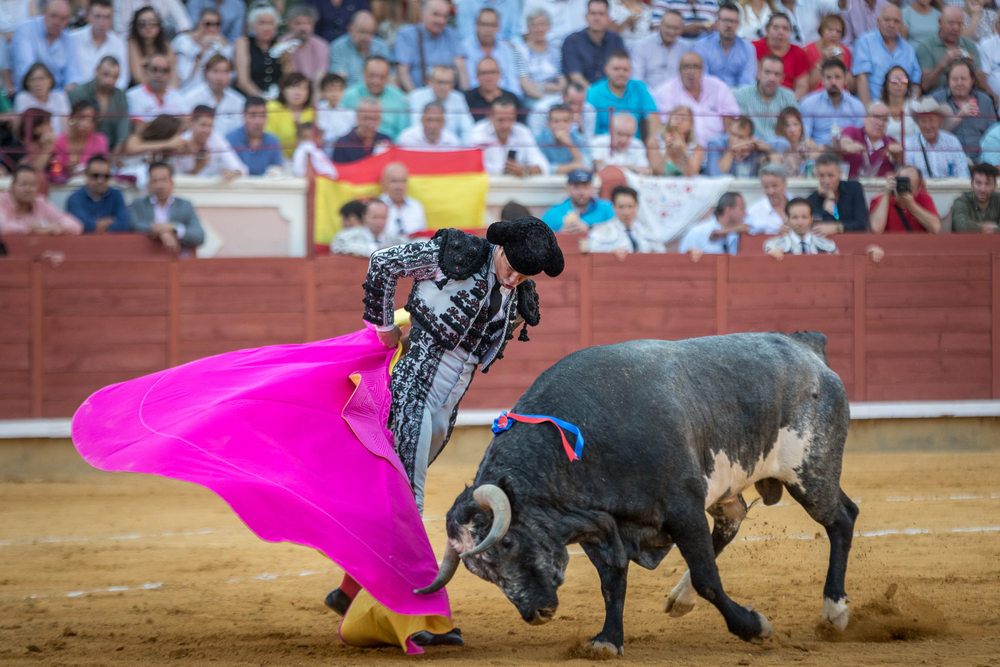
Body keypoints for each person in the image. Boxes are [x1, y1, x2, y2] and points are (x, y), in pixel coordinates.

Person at [654, 52, 740, 147]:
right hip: (683, 150)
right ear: (679, 70)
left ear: (702, 69)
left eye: (696, 67)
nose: (691, 72)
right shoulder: (665, 91)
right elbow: (665, 127)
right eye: (686, 67)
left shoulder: (719, 87)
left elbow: (730, 122)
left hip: (717, 150)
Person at [852, 5, 921, 107]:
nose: (891, 24)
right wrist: (869, 110)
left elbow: (915, 82)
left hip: (901, 111)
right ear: (878, 21)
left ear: (902, 25)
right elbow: (861, 79)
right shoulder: (865, 42)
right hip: (874, 106)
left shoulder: (908, 49)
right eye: (887, 20)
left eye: (896, 21)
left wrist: (911, 107)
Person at [129, 161, 205, 251]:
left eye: (164, 180)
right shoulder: (139, 204)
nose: (159, 186)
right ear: (148, 184)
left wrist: (174, 228)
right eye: (154, 181)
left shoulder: (184, 205)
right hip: (145, 256)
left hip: (176, 259)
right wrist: (161, 231)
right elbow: (133, 225)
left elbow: (199, 235)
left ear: (172, 183)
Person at [393, 0, 467, 92]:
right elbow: (402, 72)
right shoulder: (407, 34)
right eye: (436, 14)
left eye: (445, 16)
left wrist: (466, 96)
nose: (441, 20)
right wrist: (415, 98)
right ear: (423, 14)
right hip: (416, 94)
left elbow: (461, 68)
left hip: (447, 96)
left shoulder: (450, 33)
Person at [932, 60, 995, 164]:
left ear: (972, 81)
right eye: (955, 79)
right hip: (947, 159)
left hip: (980, 160)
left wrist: (985, 160)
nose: (959, 83)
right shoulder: (937, 99)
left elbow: (992, 135)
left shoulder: (985, 101)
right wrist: (959, 115)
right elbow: (932, 133)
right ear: (948, 81)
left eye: (964, 79)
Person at [10, 0, 79, 91]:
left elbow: (73, 73)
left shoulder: (68, 39)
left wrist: (71, 86)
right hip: (29, 93)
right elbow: (27, 72)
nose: (57, 22)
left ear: (68, 20)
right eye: (53, 16)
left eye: (62, 18)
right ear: (44, 12)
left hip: (60, 95)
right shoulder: (25, 30)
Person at [470, 97, 550, 175]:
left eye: (510, 119)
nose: (506, 125)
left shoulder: (523, 132)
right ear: (489, 116)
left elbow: (543, 166)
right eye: (500, 120)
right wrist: (509, 171)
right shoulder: (478, 132)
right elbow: (474, 167)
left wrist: (525, 170)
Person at [586, 50, 656, 137]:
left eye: (625, 69)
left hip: (634, 146)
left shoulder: (640, 87)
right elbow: (591, 130)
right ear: (606, 69)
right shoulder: (593, 92)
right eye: (616, 69)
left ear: (631, 70)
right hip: (604, 145)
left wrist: (653, 140)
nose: (621, 73)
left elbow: (652, 115)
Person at [68, 57, 131, 152]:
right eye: (106, 75)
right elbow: (69, 124)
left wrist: (119, 150)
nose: (109, 81)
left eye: (115, 77)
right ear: (96, 70)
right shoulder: (78, 93)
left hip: (111, 150)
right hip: (80, 150)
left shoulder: (120, 97)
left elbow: (122, 130)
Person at [916, 6, 982, 95]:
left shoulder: (970, 46)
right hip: (937, 101)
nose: (956, 28)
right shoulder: (926, 46)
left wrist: (972, 67)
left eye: (959, 24)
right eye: (951, 23)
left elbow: (982, 86)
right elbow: (925, 85)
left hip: (966, 98)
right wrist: (944, 63)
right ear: (940, 23)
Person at [799, 59, 865, 146]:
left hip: (847, 153)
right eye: (828, 77)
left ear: (845, 80)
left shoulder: (857, 106)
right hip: (818, 153)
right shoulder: (808, 104)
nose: (833, 82)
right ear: (822, 80)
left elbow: (860, 139)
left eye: (837, 77)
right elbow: (805, 138)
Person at [0, 164, 83, 235]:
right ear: (12, 186)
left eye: (32, 184)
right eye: (23, 184)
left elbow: (76, 226)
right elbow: (3, 228)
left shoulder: (40, 202)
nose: (28, 189)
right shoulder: (1, 200)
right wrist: (31, 228)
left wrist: (51, 227)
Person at [169, 105, 247, 179]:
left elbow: (241, 169)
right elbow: (177, 180)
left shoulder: (216, 139)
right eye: (203, 125)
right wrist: (197, 168)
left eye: (210, 126)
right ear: (192, 122)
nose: (207, 130)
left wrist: (233, 173)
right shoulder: (181, 142)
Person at [588, 184, 665, 258]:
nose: (626, 212)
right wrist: (609, 256)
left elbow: (661, 256)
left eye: (630, 206)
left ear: (637, 206)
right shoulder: (599, 233)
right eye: (621, 207)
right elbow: (594, 258)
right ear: (613, 207)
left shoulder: (649, 233)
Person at [342, 56, 408, 140]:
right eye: (371, 76)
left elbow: (402, 131)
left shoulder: (398, 97)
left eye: (381, 77)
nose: (376, 81)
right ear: (363, 73)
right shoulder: (348, 96)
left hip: (388, 146)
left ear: (388, 77)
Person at [562, 0, 626, 87]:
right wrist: (594, 94)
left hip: (611, 93)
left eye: (601, 14)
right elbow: (574, 75)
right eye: (593, 13)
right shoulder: (572, 41)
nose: (597, 18)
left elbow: (622, 70)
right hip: (583, 95)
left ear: (608, 17)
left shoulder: (616, 40)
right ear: (586, 16)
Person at [693, 3, 757, 88]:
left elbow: (747, 82)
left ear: (739, 24)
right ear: (717, 23)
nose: (729, 25)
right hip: (709, 96)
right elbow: (702, 79)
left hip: (738, 98)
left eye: (733, 21)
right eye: (725, 20)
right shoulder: (702, 45)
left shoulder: (748, 48)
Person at [734, 54, 797, 141]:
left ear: (782, 78)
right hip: (750, 148)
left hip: (780, 149)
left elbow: (795, 130)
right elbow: (736, 129)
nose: (772, 78)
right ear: (758, 74)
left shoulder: (789, 97)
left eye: (777, 74)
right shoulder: (742, 95)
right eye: (767, 72)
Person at [904, 96, 969, 180]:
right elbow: (907, 178)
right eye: (923, 121)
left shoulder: (952, 142)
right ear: (918, 123)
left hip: (949, 190)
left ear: (940, 122)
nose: (927, 126)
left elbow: (963, 174)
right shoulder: (909, 144)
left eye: (931, 120)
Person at [407, 64, 475, 143]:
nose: (444, 87)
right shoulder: (416, 97)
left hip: (452, 146)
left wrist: (464, 151)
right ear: (430, 81)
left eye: (448, 83)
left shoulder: (458, 98)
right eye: (440, 82)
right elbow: (417, 127)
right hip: (421, 145)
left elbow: (467, 129)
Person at [70, 0, 129, 90]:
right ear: (87, 16)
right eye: (97, 17)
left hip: (109, 95)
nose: (102, 22)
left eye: (107, 17)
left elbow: (123, 79)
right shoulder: (73, 38)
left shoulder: (119, 43)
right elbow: (70, 74)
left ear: (112, 19)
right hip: (79, 95)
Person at [65, 155, 131, 234]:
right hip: (84, 245)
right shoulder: (75, 198)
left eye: (106, 176)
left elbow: (124, 224)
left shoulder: (117, 195)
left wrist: (95, 226)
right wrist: (108, 221)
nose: (100, 180)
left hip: (111, 244)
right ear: (86, 175)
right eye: (95, 176)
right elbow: (82, 226)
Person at [182, 54, 245, 137]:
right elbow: (185, 129)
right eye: (215, 71)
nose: (220, 77)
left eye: (225, 72)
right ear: (205, 73)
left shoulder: (238, 100)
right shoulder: (191, 98)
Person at [172, 8, 233, 93]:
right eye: (208, 24)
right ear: (199, 24)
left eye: (217, 24)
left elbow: (229, 77)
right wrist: (201, 50)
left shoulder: (223, 44)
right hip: (187, 91)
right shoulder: (183, 41)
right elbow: (183, 77)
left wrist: (220, 51)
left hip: (212, 94)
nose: (212, 28)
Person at [807, 151, 869, 234]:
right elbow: (821, 228)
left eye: (830, 175)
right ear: (816, 175)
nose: (826, 181)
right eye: (822, 176)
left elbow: (861, 224)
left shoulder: (854, 188)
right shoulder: (812, 199)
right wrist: (829, 198)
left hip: (852, 242)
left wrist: (838, 227)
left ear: (840, 174)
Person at [463, 7, 521, 95]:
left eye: (492, 25)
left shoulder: (506, 49)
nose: (488, 29)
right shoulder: (464, 48)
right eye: (484, 24)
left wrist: (513, 101)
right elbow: (468, 83)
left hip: (504, 99)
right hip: (475, 100)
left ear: (498, 27)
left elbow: (513, 82)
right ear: (476, 25)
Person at [514, 8, 566, 105]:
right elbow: (525, 86)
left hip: (556, 97)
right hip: (532, 99)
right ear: (528, 28)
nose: (539, 29)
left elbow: (562, 85)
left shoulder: (556, 51)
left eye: (542, 24)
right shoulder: (521, 51)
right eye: (534, 25)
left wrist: (538, 86)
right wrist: (547, 100)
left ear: (549, 26)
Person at [868, 164, 940, 233]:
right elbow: (876, 229)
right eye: (901, 182)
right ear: (895, 180)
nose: (903, 188)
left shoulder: (923, 198)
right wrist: (886, 193)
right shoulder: (880, 200)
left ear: (918, 189)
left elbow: (935, 228)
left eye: (909, 186)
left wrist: (911, 205)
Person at [631, 10, 691, 92]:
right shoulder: (641, 45)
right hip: (649, 96)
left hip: (678, 96)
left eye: (676, 28)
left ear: (682, 29)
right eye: (668, 27)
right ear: (660, 24)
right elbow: (637, 79)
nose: (671, 32)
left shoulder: (686, 47)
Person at [677, 191, 748, 261]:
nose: (745, 213)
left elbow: (755, 227)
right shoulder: (697, 231)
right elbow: (682, 260)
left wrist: (723, 232)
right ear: (728, 209)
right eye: (742, 208)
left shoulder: (740, 229)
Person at [328, 11, 391, 88]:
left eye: (370, 33)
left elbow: (390, 77)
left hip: (378, 94)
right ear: (350, 28)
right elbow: (338, 80)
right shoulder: (338, 47)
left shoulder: (382, 46)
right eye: (361, 32)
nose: (365, 37)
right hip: (349, 94)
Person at [838, 102, 902, 178]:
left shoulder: (890, 141)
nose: (880, 123)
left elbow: (896, 158)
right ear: (866, 118)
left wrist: (896, 153)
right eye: (876, 117)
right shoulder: (852, 131)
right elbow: (844, 142)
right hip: (853, 186)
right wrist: (849, 146)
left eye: (884, 120)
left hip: (881, 188)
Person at [753, 13, 809, 98]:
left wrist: (790, 102)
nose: (781, 32)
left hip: (788, 100)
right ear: (767, 31)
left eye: (785, 29)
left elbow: (802, 86)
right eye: (776, 28)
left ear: (790, 32)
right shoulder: (754, 48)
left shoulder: (798, 52)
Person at [540, 168, 614, 232]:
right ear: (568, 189)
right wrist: (560, 235)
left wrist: (589, 228)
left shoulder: (607, 208)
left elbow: (619, 228)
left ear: (592, 188)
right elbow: (541, 240)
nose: (581, 192)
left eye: (585, 187)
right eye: (576, 187)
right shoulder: (552, 214)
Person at [226, 96, 285, 176]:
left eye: (262, 115)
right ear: (244, 116)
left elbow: (278, 169)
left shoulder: (273, 141)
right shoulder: (229, 139)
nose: (258, 121)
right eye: (253, 116)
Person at [234, 4, 283, 98]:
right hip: (250, 98)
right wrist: (262, 98)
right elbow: (243, 81)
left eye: (271, 23)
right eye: (262, 23)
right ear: (253, 26)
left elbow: (287, 76)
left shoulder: (281, 43)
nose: (267, 28)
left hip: (277, 99)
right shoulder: (243, 43)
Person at [763, 197, 839, 258]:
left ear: (811, 218)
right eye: (795, 217)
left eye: (804, 217)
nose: (800, 222)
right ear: (788, 219)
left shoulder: (827, 245)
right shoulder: (774, 245)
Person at [51, 100, 108, 179]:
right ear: (73, 117)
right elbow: (53, 171)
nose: (86, 124)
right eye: (83, 118)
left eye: (92, 120)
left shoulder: (99, 140)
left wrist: (89, 171)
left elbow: (104, 169)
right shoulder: (59, 141)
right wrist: (65, 169)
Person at [277, 4, 330, 87]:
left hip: (314, 88)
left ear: (313, 25)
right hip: (290, 87)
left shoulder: (322, 45)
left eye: (307, 23)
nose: (303, 28)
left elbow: (320, 76)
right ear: (289, 24)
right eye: (298, 23)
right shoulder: (282, 44)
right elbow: (286, 76)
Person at [127, 6, 180, 89]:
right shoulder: (132, 44)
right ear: (136, 26)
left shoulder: (167, 45)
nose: (148, 27)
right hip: (141, 91)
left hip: (165, 92)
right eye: (142, 24)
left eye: (153, 22)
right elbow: (137, 77)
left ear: (159, 25)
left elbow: (174, 75)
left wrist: (169, 93)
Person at [127, 52, 187, 124]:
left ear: (169, 74)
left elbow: (186, 124)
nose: (159, 75)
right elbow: (139, 128)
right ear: (146, 71)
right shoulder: (132, 96)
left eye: (164, 71)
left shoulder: (178, 96)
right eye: (154, 70)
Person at [267, 72, 317, 158]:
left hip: (306, 160)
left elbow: (315, 141)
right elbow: (268, 139)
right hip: (278, 161)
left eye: (302, 88)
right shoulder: (272, 108)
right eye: (292, 87)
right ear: (283, 90)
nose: (297, 93)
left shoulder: (312, 110)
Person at [527, 81, 597, 141]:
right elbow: (535, 138)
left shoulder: (589, 110)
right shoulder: (541, 108)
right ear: (563, 96)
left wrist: (580, 129)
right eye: (572, 103)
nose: (575, 108)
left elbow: (588, 142)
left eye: (580, 104)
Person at [14, 63, 71, 134]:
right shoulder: (22, 98)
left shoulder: (60, 97)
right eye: (32, 80)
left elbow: (65, 128)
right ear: (26, 83)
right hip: (34, 142)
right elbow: (21, 130)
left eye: (41, 79)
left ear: (50, 80)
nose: (37, 83)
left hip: (57, 142)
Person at [707, 116, 774, 177]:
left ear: (749, 138)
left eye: (740, 137)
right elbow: (715, 175)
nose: (735, 140)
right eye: (733, 134)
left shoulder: (753, 145)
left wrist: (758, 146)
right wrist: (730, 151)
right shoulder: (716, 144)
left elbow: (781, 145)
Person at [331, 97, 393, 163]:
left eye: (374, 119)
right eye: (365, 118)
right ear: (357, 117)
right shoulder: (342, 144)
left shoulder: (385, 140)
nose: (369, 124)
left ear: (380, 120)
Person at [464, 56, 523, 123]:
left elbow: (519, 124)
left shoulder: (511, 98)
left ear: (500, 74)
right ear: (477, 76)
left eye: (493, 72)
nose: (489, 77)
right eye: (484, 73)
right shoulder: (467, 98)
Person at [536, 103, 592, 173]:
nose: (561, 125)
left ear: (571, 122)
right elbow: (543, 168)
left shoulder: (579, 139)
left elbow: (586, 165)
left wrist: (570, 144)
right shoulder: (540, 140)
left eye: (565, 121)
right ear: (548, 123)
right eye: (556, 121)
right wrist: (573, 166)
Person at [650, 104, 704, 176]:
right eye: (675, 117)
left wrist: (682, 153)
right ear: (669, 121)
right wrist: (667, 152)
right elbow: (656, 173)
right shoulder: (655, 142)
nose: (679, 121)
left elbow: (691, 175)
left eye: (684, 118)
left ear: (691, 125)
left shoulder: (697, 149)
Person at [805, 14, 852, 92]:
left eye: (838, 31)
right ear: (821, 30)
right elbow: (808, 85)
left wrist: (840, 63)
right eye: (830, 29)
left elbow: (851, 87)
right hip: (815, 96)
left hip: (839, 95)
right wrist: (822, 61)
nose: (834, 34)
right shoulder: (807, 50)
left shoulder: (845, 52)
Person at [379, 162, 427, 237]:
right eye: (394, 181)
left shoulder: (416, 206)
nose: (399, 187)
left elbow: (423, 237)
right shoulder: (376, 208)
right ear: (384, 182)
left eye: (403, 181)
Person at [951, 162, 1000, 232]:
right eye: (978, 183)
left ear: (995, 186)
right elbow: (960, 226)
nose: (982, 189)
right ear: (972, 184)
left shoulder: (998, 200)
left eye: (987, 184)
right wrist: (984, 227)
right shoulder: (961, 201)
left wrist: (994, 231)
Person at [520, 0, 588, 50]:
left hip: (580, 53)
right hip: (545, 54)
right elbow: (526, 33)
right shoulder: (533, 2)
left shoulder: (584, 2)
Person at [746, 162, 791, 234]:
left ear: (784, 183)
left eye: (774, 186)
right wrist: (775, 232)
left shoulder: (798, 203)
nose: (771, 192)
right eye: (766, 187)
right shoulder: (753, 211)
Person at [397, 101, 463, 149]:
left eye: (438, 120)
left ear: (444, 122)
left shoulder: (452, 142)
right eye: (429, 120)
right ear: (422, 120)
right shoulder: (407, 138)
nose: (433, 125)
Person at [298, 0, 369, 44]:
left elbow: (366, 20)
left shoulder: (359, 1)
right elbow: (307, 23)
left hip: (352, 45)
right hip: (320, 45)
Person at [114, 0, 192, 40]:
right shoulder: (121, 1)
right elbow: (120, 31)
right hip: (132, 42)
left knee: (184, 41)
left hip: (160, 42)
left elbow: (184, 24)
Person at [880, 64, 920, 142]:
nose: (899, 84)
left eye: (903, 80)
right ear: (886, 84)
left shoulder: (916, 107)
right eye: (894, 80)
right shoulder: (876, 107)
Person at [316, 73, 357, 148]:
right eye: (330, 90)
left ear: (343, 91)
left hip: (344, 147)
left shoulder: (350, 112)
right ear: (323, 92)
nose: (334, 94)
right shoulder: (318, 109)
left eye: (337, 90)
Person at [655, 0, 722, 39]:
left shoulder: (711, 2)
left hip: (706, 49)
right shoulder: (665, 1)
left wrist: (714, 27)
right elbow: (654, 28)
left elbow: (719, 24)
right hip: (675, 49)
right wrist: (683, 29)